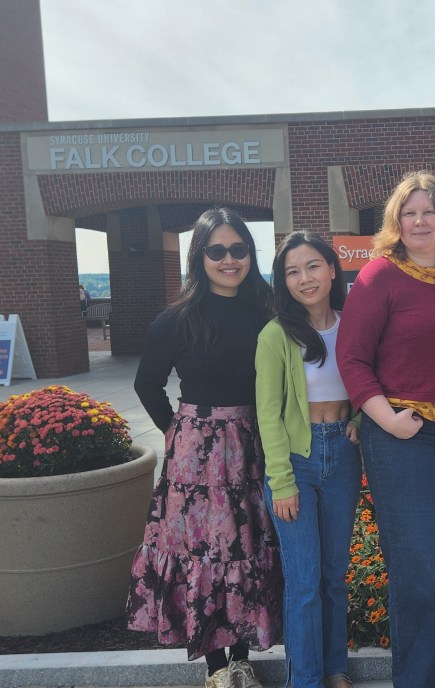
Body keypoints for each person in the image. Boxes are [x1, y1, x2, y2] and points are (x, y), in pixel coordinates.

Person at [337, 170, 435, 688]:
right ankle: (417, 678)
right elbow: (353, 359)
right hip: (404, 435)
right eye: (410, 213)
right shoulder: (379, 277)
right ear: (396, 223)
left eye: (430, 211)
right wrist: (386, 420)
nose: (421, 221)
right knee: (418, 570)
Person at [128, 208, 282, 688]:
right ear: (200, 256)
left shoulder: (267, 309)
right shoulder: (177, 319)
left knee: (244, 549)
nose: (229, 259)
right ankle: (220, 668)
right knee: (206, 554)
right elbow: (147, 384)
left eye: (239, 249)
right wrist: (177, 433)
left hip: (253, 445)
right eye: (217, 250)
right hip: (198, 459)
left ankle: (242, 659)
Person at [255, 231, 361, 688]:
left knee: (334, 577)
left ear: (332, 269)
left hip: (344, 454)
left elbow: (373, 377)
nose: (304, 278)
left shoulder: (354, 322)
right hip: (296, 462)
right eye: (292, 271)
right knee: (304, 583)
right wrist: (280, 481)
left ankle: (334, 668)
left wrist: (361, 418)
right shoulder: (276, 334)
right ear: (283, 281)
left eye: (313, 266)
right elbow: (269, 414)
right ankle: (307, 680)